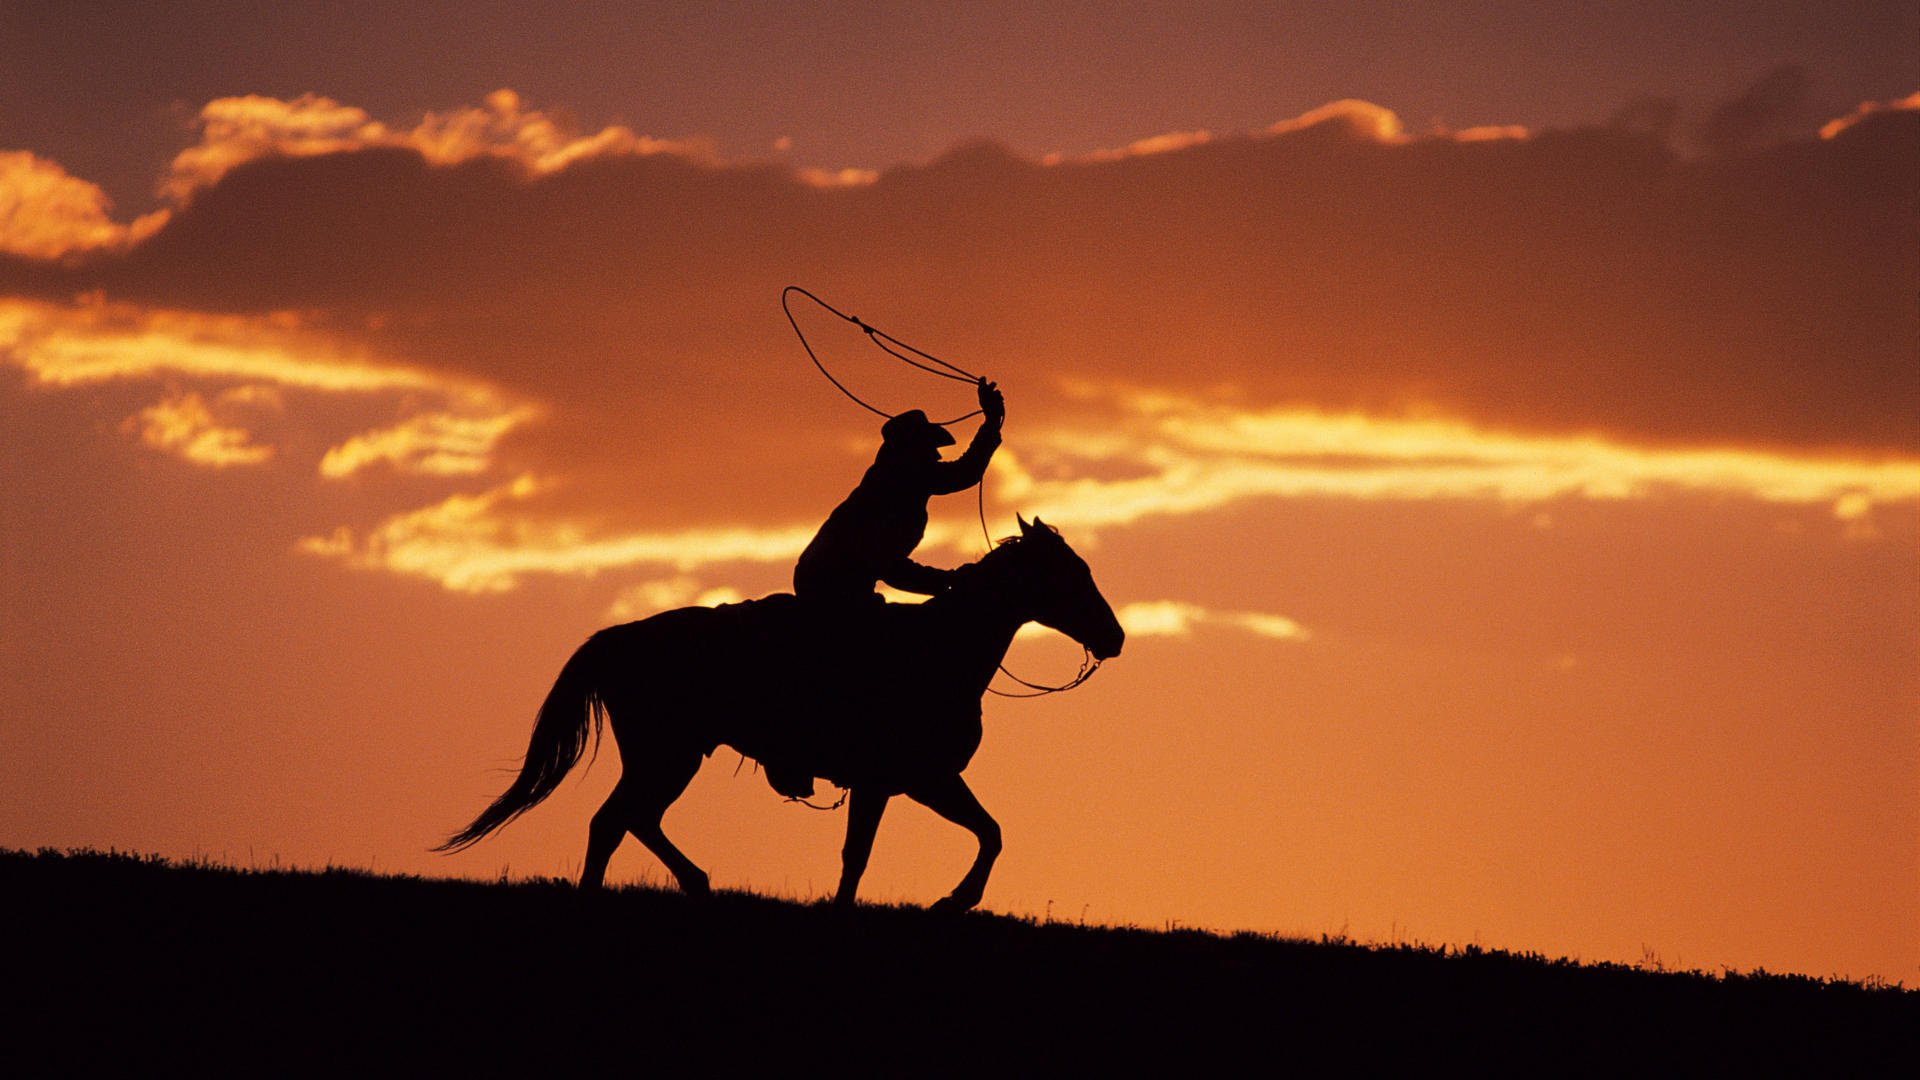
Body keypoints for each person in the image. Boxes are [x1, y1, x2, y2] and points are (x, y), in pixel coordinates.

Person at [767, 378, 1006, 798]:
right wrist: (946, 582)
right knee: (862, 648)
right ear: (909, 452)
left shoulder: (900, 485)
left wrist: (992, 424)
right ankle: (806, 746)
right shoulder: (893, 488)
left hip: (842, 582)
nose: (935, 456)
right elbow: (890, 568)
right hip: (831, 583)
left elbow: (961, 475)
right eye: (928, 448)